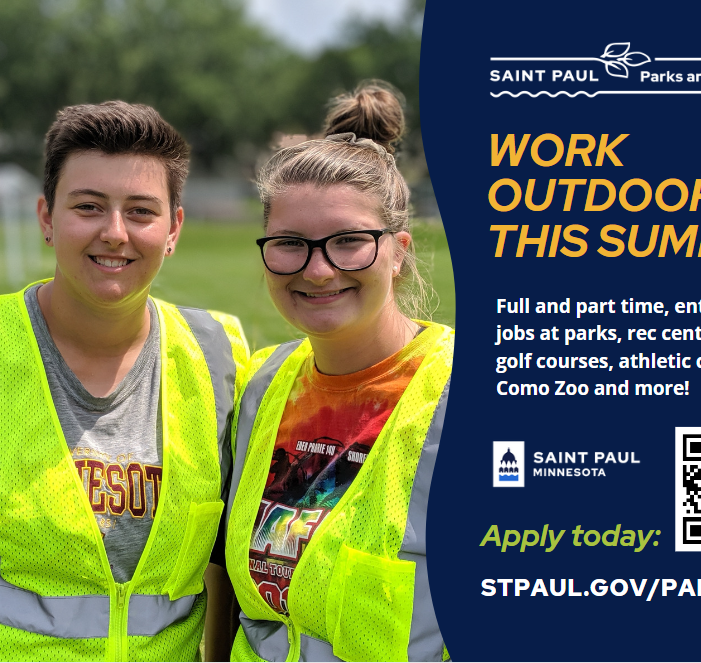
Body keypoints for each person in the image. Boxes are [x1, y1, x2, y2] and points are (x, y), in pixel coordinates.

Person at [0, 101, 247, 661]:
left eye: (140, 211)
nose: (114, 233)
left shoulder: (219, 355)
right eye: (88, 206)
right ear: (45, 217)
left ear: (174, 228)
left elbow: (224, 563)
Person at [225, 82, 453, 662]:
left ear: (399, 250)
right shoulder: (257, 387)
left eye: (349, 241)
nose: (319, 270)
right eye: (290, 243)